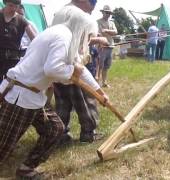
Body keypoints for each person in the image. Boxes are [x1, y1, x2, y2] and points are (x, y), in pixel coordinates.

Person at [0, 6, 109, 179]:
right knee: (3, 147)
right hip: (20, 95)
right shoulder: (62, 36)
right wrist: (73, 71)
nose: (87, 40)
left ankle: (26, 169)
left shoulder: (63, 35)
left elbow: (79, 68)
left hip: (34, 95)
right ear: (80, 27)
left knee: (54, 129)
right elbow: (53, 69)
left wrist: (99, 92)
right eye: (87, 35)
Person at [53, 0, 106, 144]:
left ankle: (61, 135)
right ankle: (89, 133)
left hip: (58, 68)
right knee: (85, 102)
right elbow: (81, 45)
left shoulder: (62, 11)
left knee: (62, 104)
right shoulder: (79, 16)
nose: (92, 7)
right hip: (74, 67)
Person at [0, 0, 36, 82]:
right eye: (10, 5)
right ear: (5, 4)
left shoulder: (21, 20)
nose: (13, 9)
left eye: (16, 6)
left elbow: (35, 39)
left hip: (12, 61)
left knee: (9, 88)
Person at [97, 5, 118, 87]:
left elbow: (115, 32)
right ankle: (97, 83)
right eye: (107, 12)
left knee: (107, 66)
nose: (108, 14)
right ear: (103, 12)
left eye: (109, 13)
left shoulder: (112, 23)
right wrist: (109, 32)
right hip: (102, 47)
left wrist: (106, 30)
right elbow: (98, 33)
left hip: (110, 46)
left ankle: (104, 82)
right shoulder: (98, 22)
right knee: (99, 66)